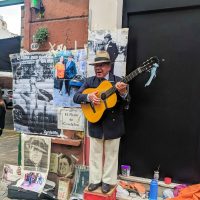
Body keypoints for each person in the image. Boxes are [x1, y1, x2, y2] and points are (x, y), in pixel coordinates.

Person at [73, 51, 130, 193]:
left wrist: (123, 93)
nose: (98, 68)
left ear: (109, 67)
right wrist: (88, 97)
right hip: (95, 123)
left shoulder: (119, 81)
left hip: (114, 124)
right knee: (95, 155)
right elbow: (76, 97)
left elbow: (127, 102)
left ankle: (108, 182)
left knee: (111, 155)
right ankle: (95, 180)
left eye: (102, 65)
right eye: (96, 65)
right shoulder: (89, 82)